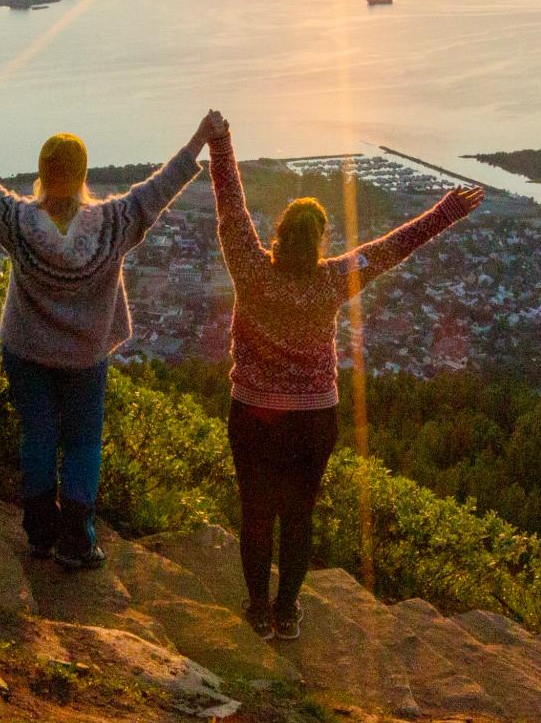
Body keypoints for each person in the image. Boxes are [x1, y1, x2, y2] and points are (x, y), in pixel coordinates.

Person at [0, 109, 215, 569]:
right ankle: (77, 542)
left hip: (27, 351)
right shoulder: (113, 225)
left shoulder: (18, 222)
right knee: (82, 443)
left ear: (41, 174)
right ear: (83, 175)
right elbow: (162, 187)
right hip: (84, 356)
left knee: (37, 435)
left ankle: (39, 533)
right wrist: (200, 136)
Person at [205, 116, 483, 639]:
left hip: (256, 415)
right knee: (299, 515)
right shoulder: (334, 277)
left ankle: (259, 612)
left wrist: (221, 142)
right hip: (312, 420)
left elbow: (230, 210)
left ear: (280, 235)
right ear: (319, 242)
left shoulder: (249, 266)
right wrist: (446, 211)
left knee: (257, 512)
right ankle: (287, 614)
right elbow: (394, 247)